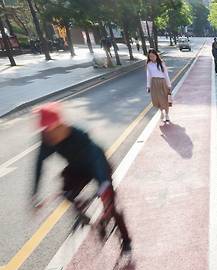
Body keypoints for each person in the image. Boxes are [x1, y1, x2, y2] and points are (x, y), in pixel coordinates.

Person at [32, 103, 132, 253]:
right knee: (66, 189)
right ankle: (82, 211)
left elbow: (97, 160)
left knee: (111, 203)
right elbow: (39, 165)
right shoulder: (47, 140)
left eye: (51, 129)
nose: (50, 135)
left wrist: (104, 185)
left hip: (98, 165)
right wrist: (34, 194)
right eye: (45, 130)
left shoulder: (78, 135)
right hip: (77, 168)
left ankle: (125, 240)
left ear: (60, 125)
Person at [146, 49, 172, 123]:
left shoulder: (161, 63)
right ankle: (161, 113)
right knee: (157, 100)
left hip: (162, 82)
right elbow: (148, 75)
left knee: (165, 99)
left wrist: (169, 85)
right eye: (150, 56)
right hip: (154, 83)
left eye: (153, 56)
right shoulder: (149, 64)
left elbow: (166, 74)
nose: (152, 58)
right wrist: (148, 86)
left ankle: (167, 115)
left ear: (156, 55)